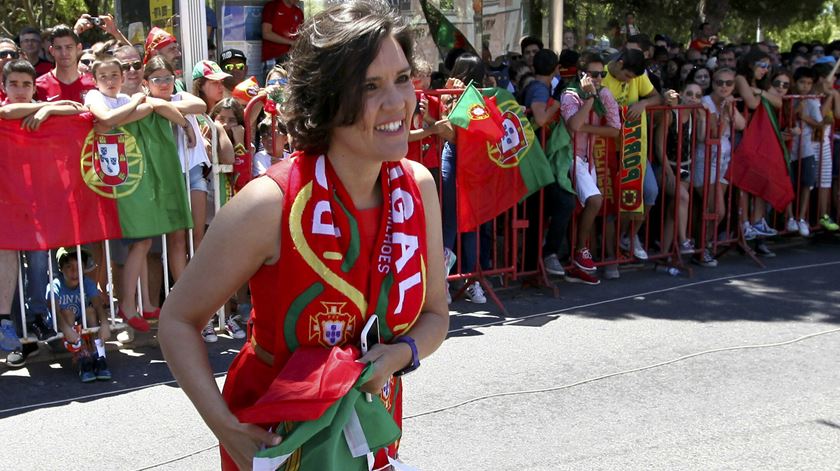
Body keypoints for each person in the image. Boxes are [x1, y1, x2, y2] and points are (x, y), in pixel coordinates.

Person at [159, 1, 448, 469]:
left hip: (371, 439)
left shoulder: (418, 188)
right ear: (327, 99)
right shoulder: (268, 203)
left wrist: (400, 354)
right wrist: (225, 427)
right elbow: (176, 320)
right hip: (276, 445)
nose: (397, 101)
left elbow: (435, 316)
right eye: (370, 87)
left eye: (400, 79)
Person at [84, 56, 187, 331]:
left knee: (140, 242)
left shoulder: (121, 99)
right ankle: (127, 305)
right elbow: (105, 120)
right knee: (136, 244)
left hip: (126, 178)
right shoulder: (95, 96)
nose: (110, 80)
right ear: (95, 80)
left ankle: (143, 304)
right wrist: (135, 104)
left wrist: (185, 125)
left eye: (114, 75)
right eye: (104, 75)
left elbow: (149, 108)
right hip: (106, 179)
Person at [0, 58, 87, 367]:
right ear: (4, 87)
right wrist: (40, 108)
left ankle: (37, 315)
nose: (21, 90)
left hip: (36, 202)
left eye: (27, 85)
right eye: (14, 84)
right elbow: (6, 112)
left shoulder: (40, 108)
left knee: (39, 261)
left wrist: (47, 109)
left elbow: (75, 108)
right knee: (9, 265)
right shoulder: (7, 109)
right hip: (7, 202)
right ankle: (13, 327)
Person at [144, 55, 210, 282]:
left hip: (192, 172)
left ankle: (201, 292)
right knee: (177, 238)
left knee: (197, 236)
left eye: (167, 78)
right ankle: (182, 293)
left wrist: (166, 106)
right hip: (167, 178)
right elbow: (150, 104)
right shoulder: (143, 104)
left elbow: (200, 105)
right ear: (146, 83)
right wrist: (180, 119)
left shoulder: (180, 96)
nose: (163, 84)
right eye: (156, 80)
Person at [560, 53, 622, 285]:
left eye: (602, 74)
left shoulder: (604, 93)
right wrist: (589, 99)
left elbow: (615, 130)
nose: (598, 78)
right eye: (594, 74)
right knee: (595, 201)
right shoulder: (570, 94)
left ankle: (575, 264)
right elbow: (574, 126)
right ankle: (579, 252)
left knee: (586, 207)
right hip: (569, 157)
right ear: (581, 75)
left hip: (589, 160)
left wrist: (587, 126)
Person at [601, 48, 662, 277]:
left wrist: (643, 104)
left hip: (634, 149)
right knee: (609, 206)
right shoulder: (602, 77)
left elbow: (657, 96)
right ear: (619, 63)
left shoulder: (638, 74)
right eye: (627, 76)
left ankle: (628, 236)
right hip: (607, 150)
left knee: (649, 192)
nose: (629, 82)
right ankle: (610, 259)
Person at [693, 67, 746, 266]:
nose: (724, 87)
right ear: (713, 83)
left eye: (729, 83)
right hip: (705, 159)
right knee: (715, 209)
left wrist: (730, 109)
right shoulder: (704, 103)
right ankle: (701, 249)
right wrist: (722, 114)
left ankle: (703, 247)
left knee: (711, 209)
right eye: (719, 82)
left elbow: (741, 125)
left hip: (724, 159)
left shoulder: (730, 103)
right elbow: (706, 135)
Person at [656, 81, 705, 258]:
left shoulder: (695, 115)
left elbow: (700, 138)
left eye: (698, 95)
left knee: (675, 207)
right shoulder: (671, 114)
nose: (693, 98)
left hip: (685, 168)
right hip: (666, 167)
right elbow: (659, 147)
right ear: (682, 94)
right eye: (690, 94)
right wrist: (668, 172)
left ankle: (664, 254)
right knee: (682, 197)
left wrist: (702, 118)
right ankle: (684, 240)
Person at [48, 247, 112, 382]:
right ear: (61, 268)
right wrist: (66, 329)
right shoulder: (55, 285)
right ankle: (82, 360)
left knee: (90, 311)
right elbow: (54, 310)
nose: (74, 271)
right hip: (60, 336)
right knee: (67, 313)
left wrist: (105, 323)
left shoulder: (87, 282)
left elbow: (98, 305)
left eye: (79, 266)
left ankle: (99, 356)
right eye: (69, 266)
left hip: (81, 334)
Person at [35, 25, 95, 103]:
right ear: (52, 51)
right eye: (58, 48)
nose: (64, 53)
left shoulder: (93, 84)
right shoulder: (38, 86)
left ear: (78, 48)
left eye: (69, 47)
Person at [261, 0, 304, 65]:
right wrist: (290, 42)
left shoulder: (299, 12)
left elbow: (301, 35)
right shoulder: (271, 7)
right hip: (273, 60)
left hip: (292, 60)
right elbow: (266, 33)